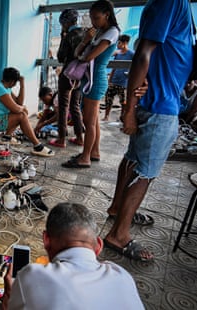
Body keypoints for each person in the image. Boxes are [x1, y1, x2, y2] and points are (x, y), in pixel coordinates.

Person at [103, 0, 193, 261]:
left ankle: (118, 209)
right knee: (146, 172)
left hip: (159, 99)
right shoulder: (172, 1)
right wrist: (129, 109)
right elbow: (143, 53)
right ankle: (119, 234)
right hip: (160, 105)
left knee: (134, 160)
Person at [1, 202, 144, 310]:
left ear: (46, 240)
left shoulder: (32, 276)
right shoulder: (123, 277)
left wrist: (9, 294)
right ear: (98, 246)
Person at [62, 0, 120, 168]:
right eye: (91, 17)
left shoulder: (112, 32)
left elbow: (87, 57)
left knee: (89, 121)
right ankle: (94, 152)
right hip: (89, 79)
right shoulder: (99, 32)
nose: (93, 21)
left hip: (96, 81)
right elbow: (77, 52)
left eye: (96, 17)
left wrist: (85, 48)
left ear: (107, 15)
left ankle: (85, 158)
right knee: (93, 120)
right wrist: (86, 39)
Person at [0, 67, 54, 157]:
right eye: (16, 82)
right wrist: (23, 108)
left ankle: (7, 137)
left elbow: (19, 102)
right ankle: (37, 146)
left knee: (20, 112)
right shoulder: (0, 89)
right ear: (12, 81)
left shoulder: (4, 87)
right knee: (21, 115)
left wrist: (22, 84)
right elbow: (16, 108)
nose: (15, 84)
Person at [49, 8, 85, 148]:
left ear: (65, 22)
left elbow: (60, 56)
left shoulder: (69, 35)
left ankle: (61, 139)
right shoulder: (84, 33)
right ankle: (80, 137)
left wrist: (64, 37)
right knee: (75, 106)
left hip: (68, 73)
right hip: (81, 74)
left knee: (64, 107)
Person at [102, 34, 135, 121]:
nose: (117, 45)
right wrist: (110, 79)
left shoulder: (131, 54)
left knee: (123, 101)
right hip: (114, 80)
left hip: (124, 82)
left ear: (124, 43)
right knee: (108, 99)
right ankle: (106, 116)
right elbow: (114, 66)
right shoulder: (117, 53)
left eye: (119, 43)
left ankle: (122, 117)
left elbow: (135, 67)